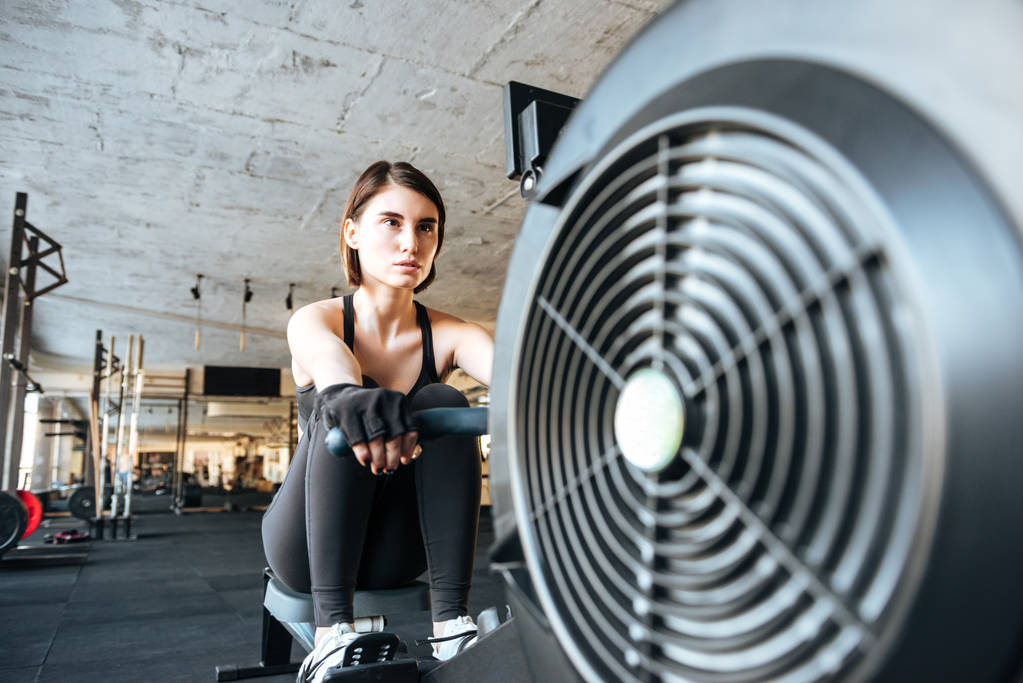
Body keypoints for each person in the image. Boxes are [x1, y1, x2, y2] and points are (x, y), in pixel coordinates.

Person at [262, 160, 494, 682]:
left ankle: (452, 623)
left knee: (444, 401)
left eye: (425, 226)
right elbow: (331, 364)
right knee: (352, 397)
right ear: (353, 233)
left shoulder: (453, 334)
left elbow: (522, 379)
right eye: (391, 222)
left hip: (397, 549)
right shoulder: (318, 320)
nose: (410, 242)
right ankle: (330, 635)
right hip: (304, 544)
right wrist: (348, 395)